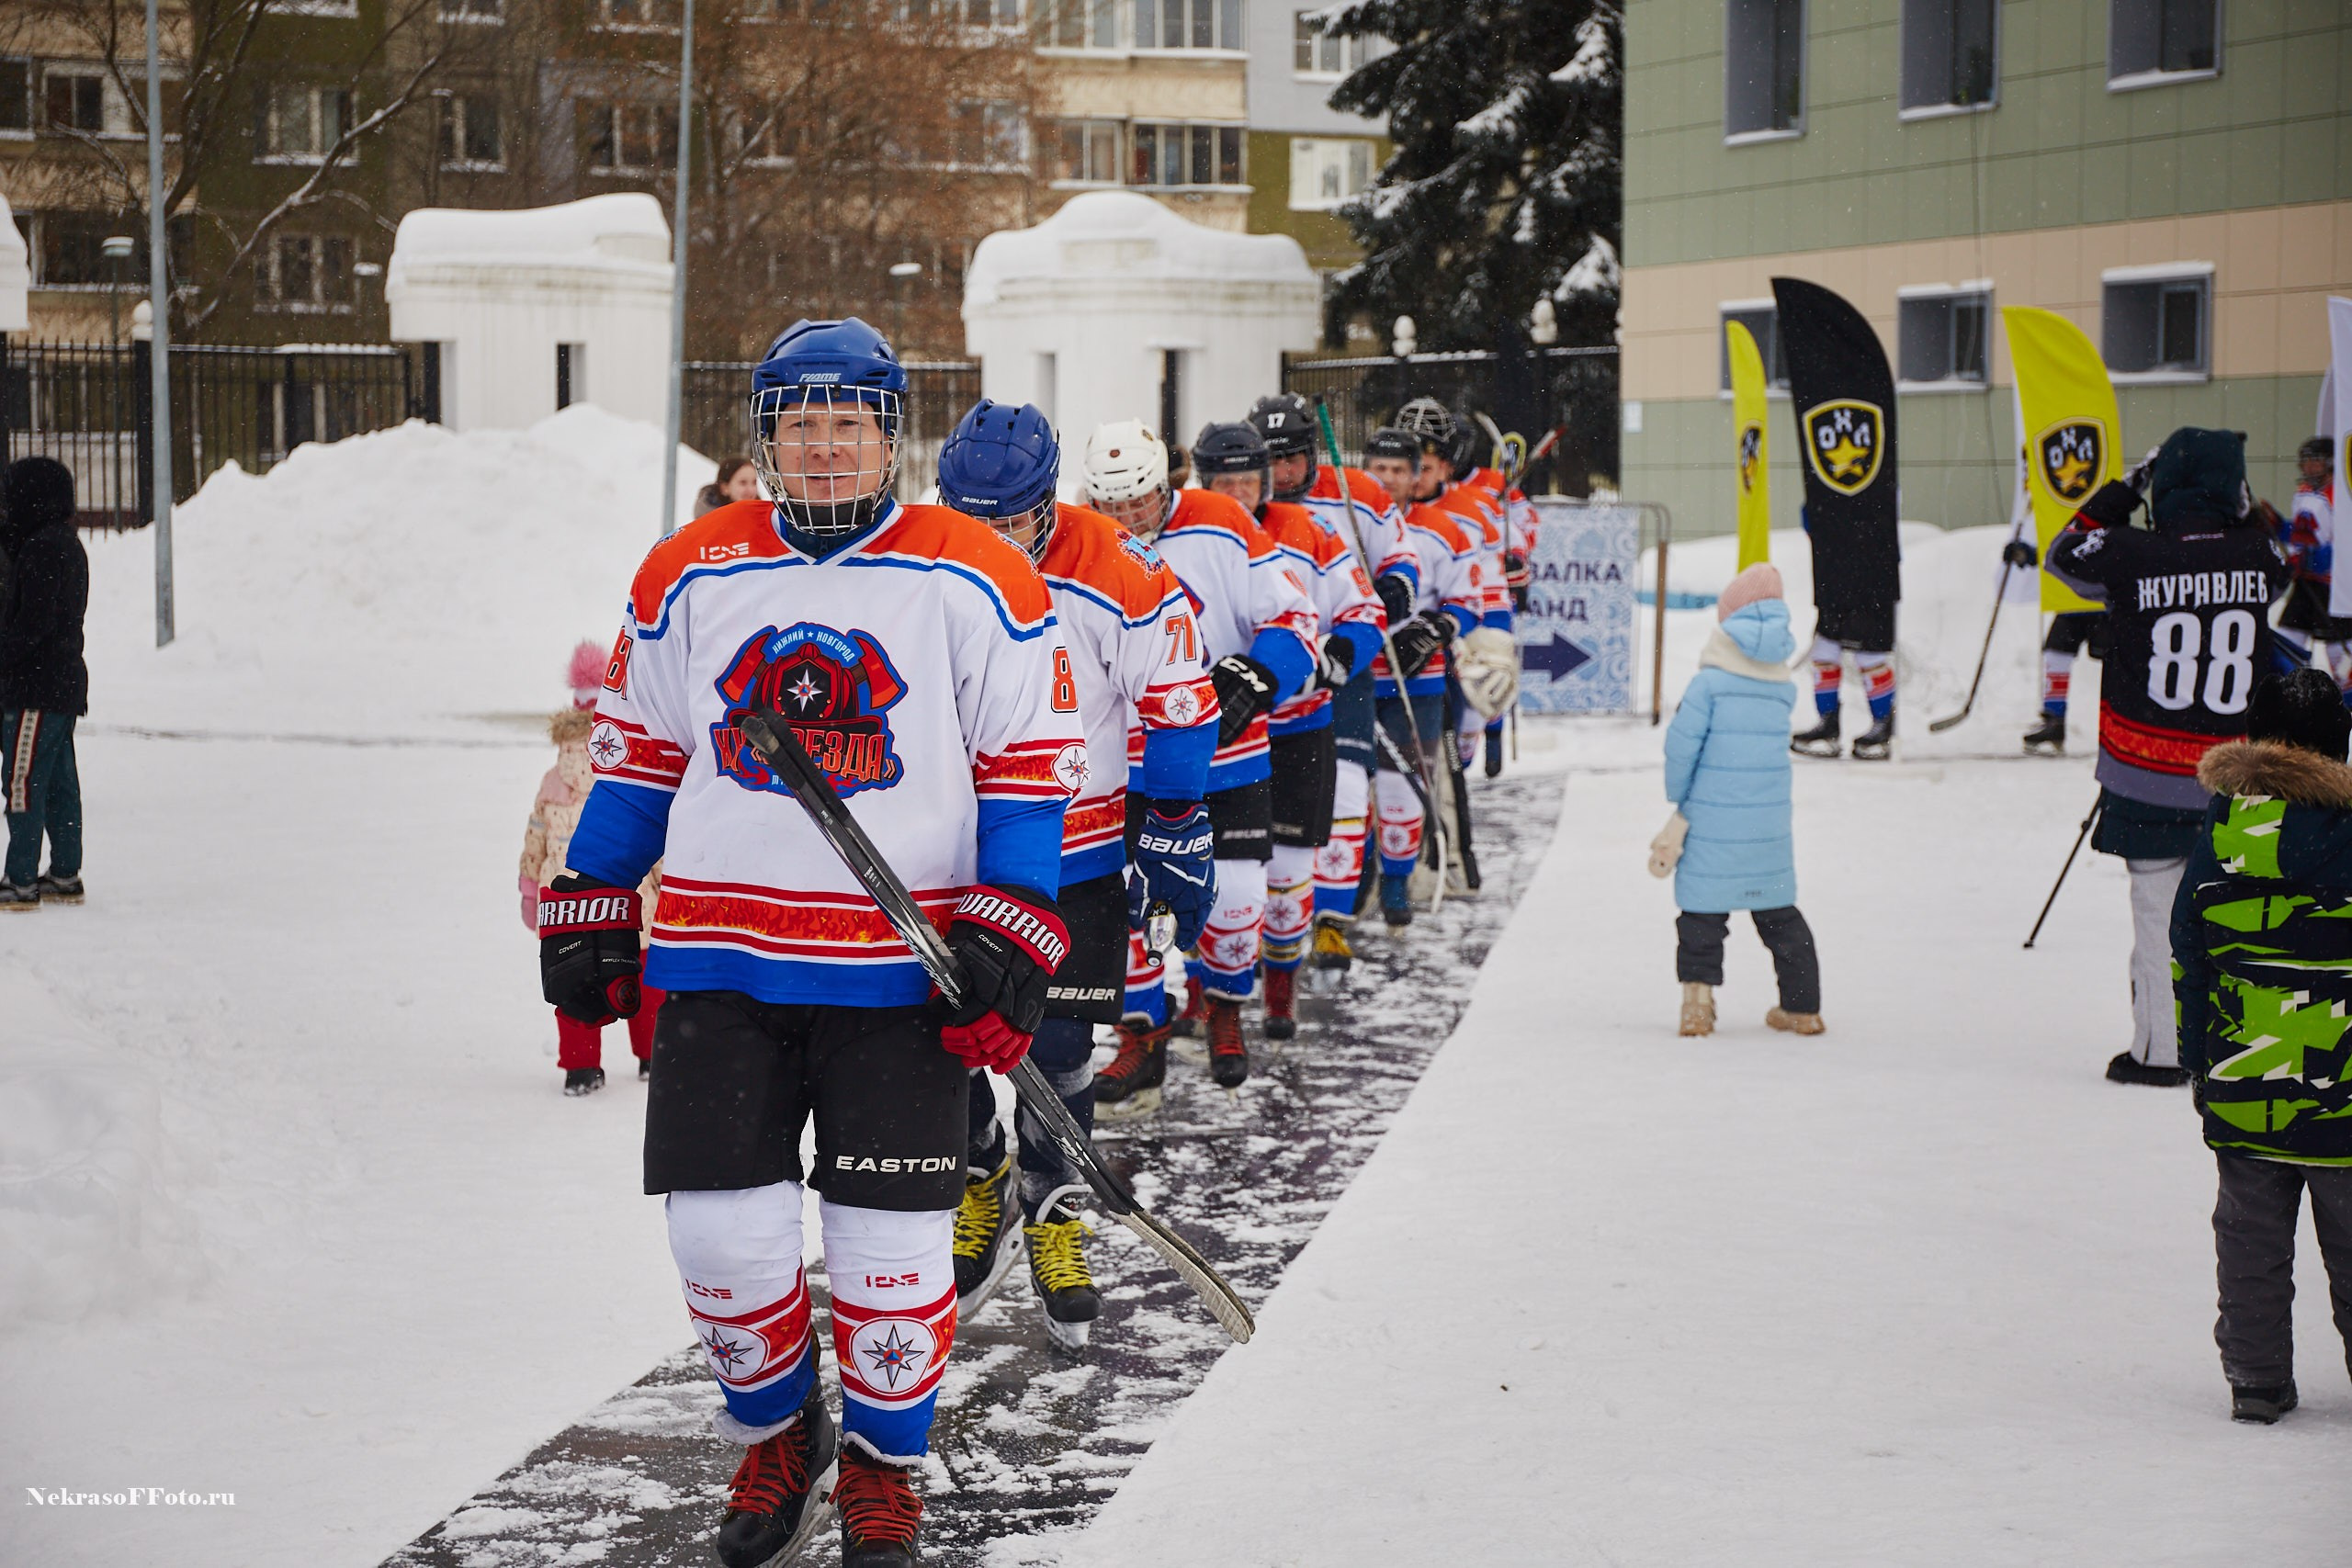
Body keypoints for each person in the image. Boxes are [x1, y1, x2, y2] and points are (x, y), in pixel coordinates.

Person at [545, 318, 1080, 1568]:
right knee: (719, 1235)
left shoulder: (975, 572)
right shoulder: (689, 570)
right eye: (799, 420)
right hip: (722, 960)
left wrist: (1011, 922)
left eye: (850, 420)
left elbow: (1028, 764)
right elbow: (639, 755)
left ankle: (885, 1465)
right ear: (766, 435)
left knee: (890, 1246)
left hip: (899, 973)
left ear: (892, 434)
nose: (824, 443)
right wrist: (591, 893)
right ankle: (781, 1427)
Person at [933, 400, 1216, 1347]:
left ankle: (1054, 1206)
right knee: (947, 1039)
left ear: (1045, 501)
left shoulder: (1115, 566)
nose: (988, 538)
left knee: (1055, 1049)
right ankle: (980, 1179)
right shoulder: (919, 558)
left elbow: (1180, 700)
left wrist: (1173, 819)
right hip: (946, 852)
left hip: (1072, 849)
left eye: (1007, 519)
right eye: (970, 516)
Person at [1079, 419, 1316, 1103]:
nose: (1128, 517)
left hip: (1229, 755)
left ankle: (1225, 1008)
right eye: (1112, 505)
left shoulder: (1222, 521)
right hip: (1125, 764)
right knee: (1131, 903)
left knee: (1237, 900)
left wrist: (1255, 675)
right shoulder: (1080, 542)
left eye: (1140, 501)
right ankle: (1141, 1035)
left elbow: (1295, 619)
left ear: (1167, 482)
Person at [2046, 427, 2290, 1087]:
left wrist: (2124, 489)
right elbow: (2276, 556)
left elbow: (2062, 553)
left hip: (2147, 773)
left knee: (2158, 916)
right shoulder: (2260, 554)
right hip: (2238, 778)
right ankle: (2245, 1040)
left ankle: (2160, 1051)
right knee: (2233, 912)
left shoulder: (2129, 554)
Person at [2173, 669, 2352, 1425]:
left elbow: (2188, 954)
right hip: (2342, 1086)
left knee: (2249, 1240)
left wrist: (2198, 1059)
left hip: (2245, 1075)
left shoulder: (2219, 836)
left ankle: (2256, 1376)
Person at [1194, 420, 1382, 1040]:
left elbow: (1363, 608)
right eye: (1227, 481)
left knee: (1286, 873)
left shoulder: (1310, 531)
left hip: (1299, 726)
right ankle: (1209, 995)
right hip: (1221, 736)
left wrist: (1341, 654)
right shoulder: (1195, 535)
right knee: (1215, 875)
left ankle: (1281, 988)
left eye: (1251, 479)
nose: (1241, 492)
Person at [1260, 392, 1419, 986]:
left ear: (1311, 453)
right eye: (1270, 458)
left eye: (1293, 458)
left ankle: (1330, 916)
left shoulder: (1357, 493)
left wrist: (1397, 586)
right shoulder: (1241, 506)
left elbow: (1400, 553)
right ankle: (1264, 920)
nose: (1281, 472)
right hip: (1266, 670)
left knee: (1348, 789)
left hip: (1340, 662)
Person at [1657, 563, 1821, 1037]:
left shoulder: (1709, 683)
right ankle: (1802, 1007)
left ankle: (1697, 1007)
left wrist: (1679, 797)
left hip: (1711, 815)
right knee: (1779, 914)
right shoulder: (1781, 684)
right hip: (1767, 822)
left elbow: (1681, 746)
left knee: (1703, 915)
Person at [519, 640, 664, 1094]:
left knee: (573, 978)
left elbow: (535, 839)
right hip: (631, 898)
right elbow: (650, 838)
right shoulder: (626, 771)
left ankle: (582, 1067)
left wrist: (530, 891)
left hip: (566, 904)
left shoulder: (552, 778)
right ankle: (651, 1057)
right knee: (642, 979)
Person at [1360, 425, 1483, 931]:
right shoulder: (1345, 524)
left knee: (1404, 788)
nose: (1387, 480)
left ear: (1416, 478)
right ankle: (1350, 886)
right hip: (1353, 678)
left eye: (1398, 471)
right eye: (1378, 469)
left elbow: (1469, 602)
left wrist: (1433, 630)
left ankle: (1396, 884)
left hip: (1419, 681)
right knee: (1346, 789)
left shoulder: (1445, 528)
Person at [1, 457, 89, 910]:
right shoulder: (68, 545)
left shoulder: (39, 548)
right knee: (57, 782)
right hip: (62, 685)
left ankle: (19, 880)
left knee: (22, 780)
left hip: (34, 688)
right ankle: (65, 872)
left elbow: (31, 624)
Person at [2273, 436, 2346, 683]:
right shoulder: (2303, 492)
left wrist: (2312, 560)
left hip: (2335, 586)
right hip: (2307, 583)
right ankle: (2294, 690)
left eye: (2314, 461)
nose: (2308, 467)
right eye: (2305, 461)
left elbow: (2344, 545)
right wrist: (2279, 526)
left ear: (2329, 463)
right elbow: (2302, 533)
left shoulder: (2341, 494)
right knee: (2287, 639)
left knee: (2338, 651)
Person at [694, 456, 762, 519]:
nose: (750, 489)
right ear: (725, 488)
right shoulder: (709, 523)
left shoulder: (763, 516)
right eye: (743, 483)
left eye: (754, 482)